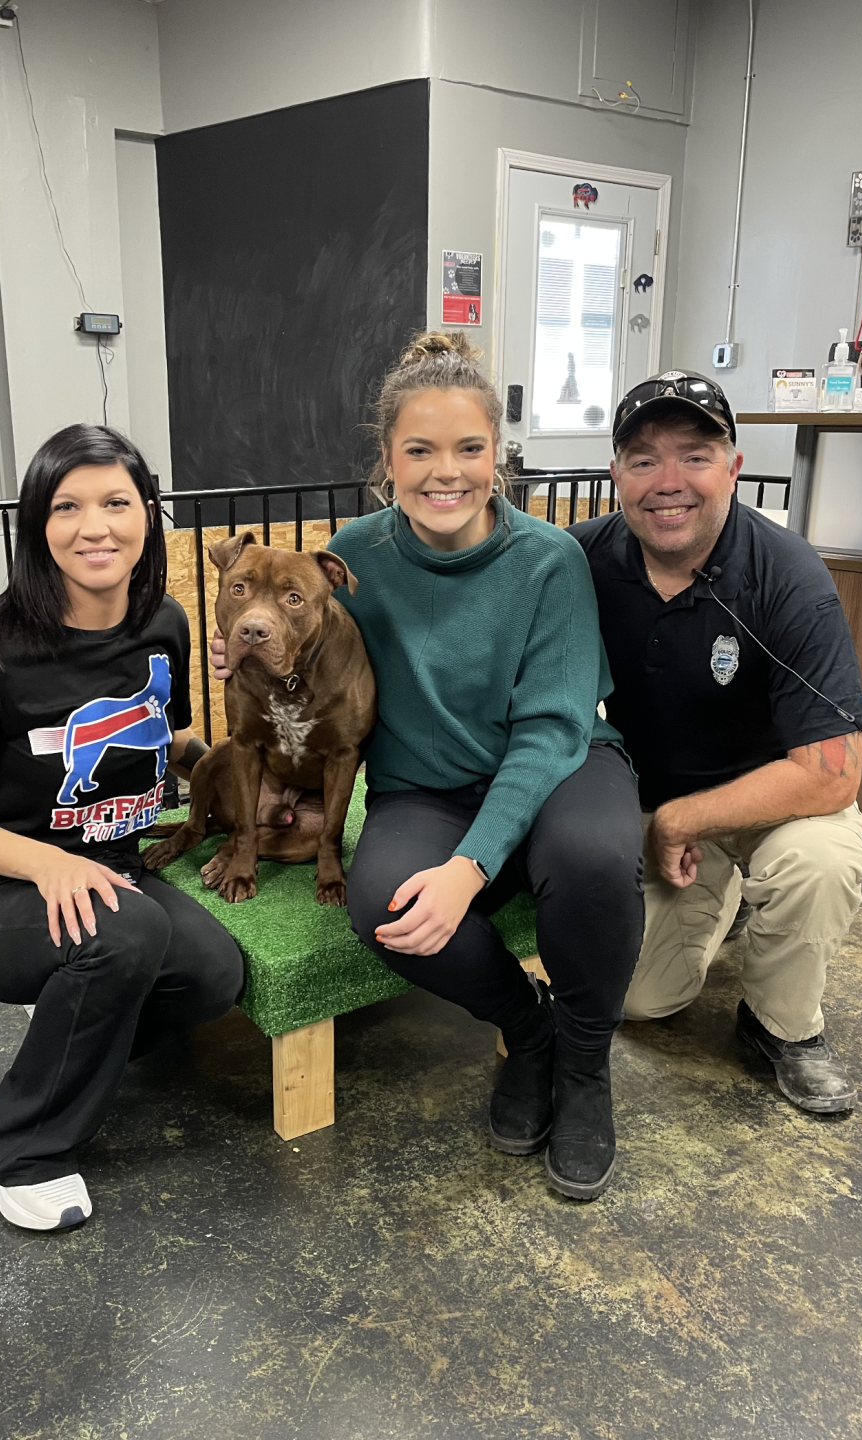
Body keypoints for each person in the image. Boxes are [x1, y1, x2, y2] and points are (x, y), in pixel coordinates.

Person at [214, 333, 645, 1200]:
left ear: (497, 456)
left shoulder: (547, 561)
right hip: (426, 785)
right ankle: (527, 1035)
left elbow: (548, 731)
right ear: (387, 460)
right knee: (380, 905)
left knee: (594, 858)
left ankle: (584, 1067)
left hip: (557, 764)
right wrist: (251, 656)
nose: (443, 473)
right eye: (419, 450)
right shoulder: (357, 554)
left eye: (468, 449)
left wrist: (468, 866)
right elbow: (306, 651)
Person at [0, 425, 243, 1231]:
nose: (96, 526)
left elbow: (169, 741)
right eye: (68, 507)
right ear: (36, 525)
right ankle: (22, 1145)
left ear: (147, 514)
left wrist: (233, 766)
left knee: (212, 975)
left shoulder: (163, 620)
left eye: (117, 502)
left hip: (115, 872)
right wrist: (48, 866)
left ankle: (71, 1025)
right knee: (121, 935)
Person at [569, 373, 862, 1113]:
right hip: (651, 800)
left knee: (817, 863)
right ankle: (725, 896)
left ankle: (782, 1028)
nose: (667, 483)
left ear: (732, 468)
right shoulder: (575, 561)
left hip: (773, 802)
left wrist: (683, 821)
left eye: (694, 456)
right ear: (614, 475)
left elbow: (833, 774)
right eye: (642, 460)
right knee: (641, 1003)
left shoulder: (786, 575)